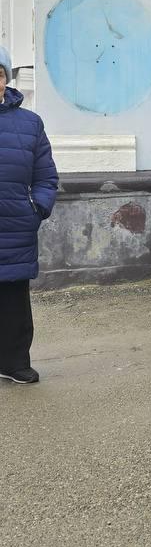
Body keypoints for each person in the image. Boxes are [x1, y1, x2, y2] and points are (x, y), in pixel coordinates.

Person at [0, 46, 58, 385]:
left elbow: (46, 176)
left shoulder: (30, 124)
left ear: (7, 79)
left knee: (13, 303)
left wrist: (37, 208)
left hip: (14, 226)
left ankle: (14, 361)